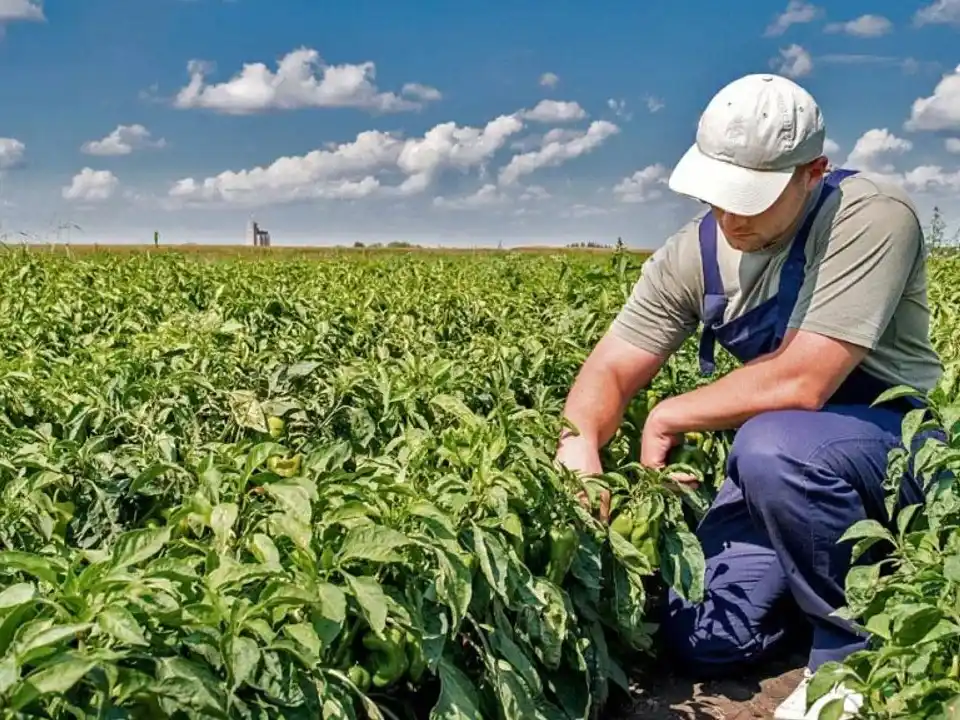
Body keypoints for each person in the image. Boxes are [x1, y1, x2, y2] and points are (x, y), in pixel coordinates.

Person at [554, 73, 943, 720]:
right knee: (704, 637)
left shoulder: (870, 215)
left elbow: (803, 379)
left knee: (772, 443)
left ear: (812, 172)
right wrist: (579, 444)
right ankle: (850, 577)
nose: (731, 215)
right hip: (785, 471)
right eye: (719, 194)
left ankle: (854, 657)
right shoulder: (694, 256)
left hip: (895, 449)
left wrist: (671, 411)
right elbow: (609, 372)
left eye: (752, 199)